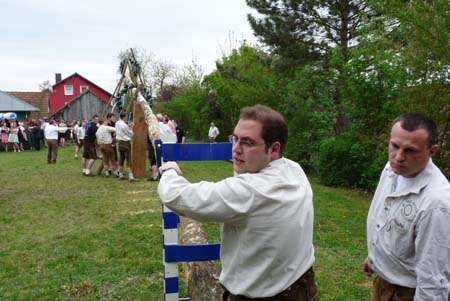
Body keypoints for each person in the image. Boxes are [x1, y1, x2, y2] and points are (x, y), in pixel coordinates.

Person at [158, 104, 318, 300]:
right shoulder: (294, 170)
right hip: (304, 288)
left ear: (274, 149)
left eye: (248, 142)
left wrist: (170, 171)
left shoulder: (250, 192)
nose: (236, 148)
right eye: (235, 139)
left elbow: (178, 196)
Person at [362, 113, 450, 301]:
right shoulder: (392, 169)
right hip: (384, 281)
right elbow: (386, 219)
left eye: (411, 151)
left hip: (407, 293)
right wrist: (376, 257)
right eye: (394, 146)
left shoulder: (436, 205)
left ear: (432, 150)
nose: (399, 157)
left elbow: (433, 280)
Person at [116, 112, 134, 181]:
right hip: (125, 143)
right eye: (126, 116)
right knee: (128, 159)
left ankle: (120, 174)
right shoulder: (124, 125)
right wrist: (131, 127)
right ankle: (131, 176)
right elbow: (131, 135)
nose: (127, 118)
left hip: (119, 143)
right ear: (124, 117)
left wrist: (128, 127)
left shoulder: (117, 123)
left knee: (121, 159)